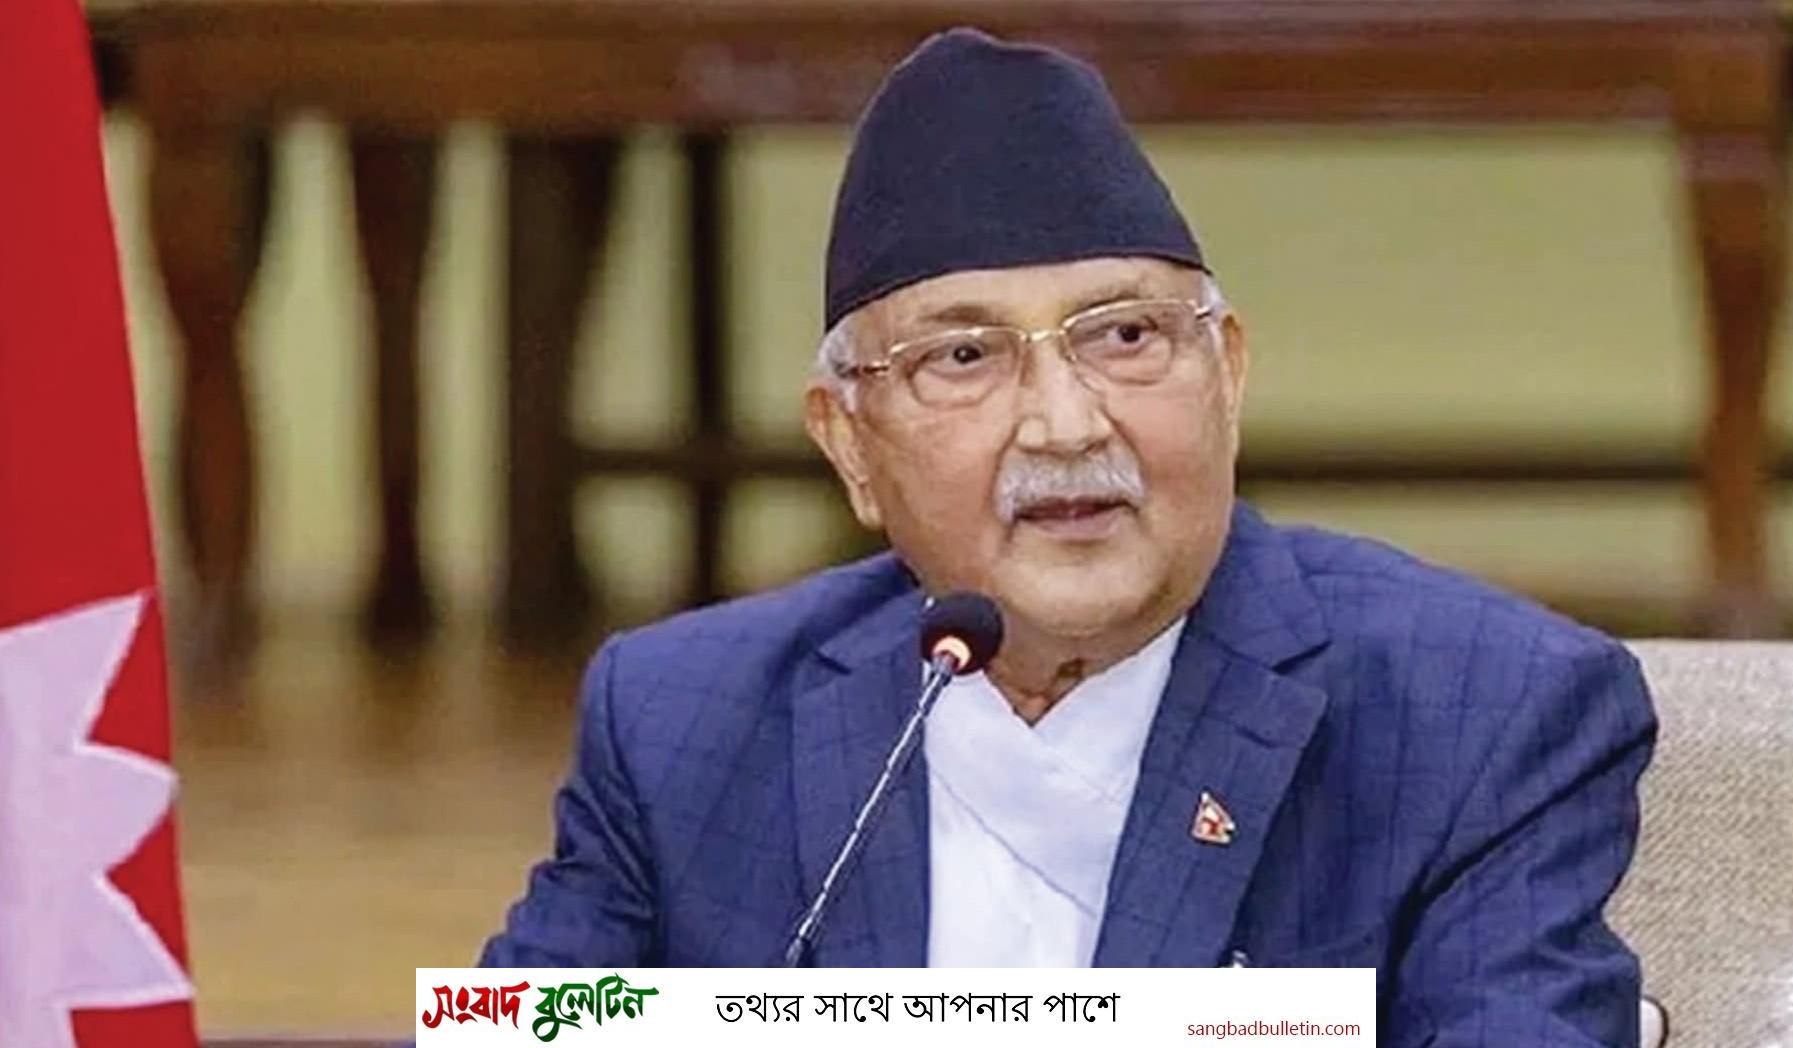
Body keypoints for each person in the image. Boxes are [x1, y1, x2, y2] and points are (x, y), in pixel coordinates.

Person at [480, 27, 1656, 1046]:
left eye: (1124, 337)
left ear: (1225, 374)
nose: (1063, 423)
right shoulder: (680, 718)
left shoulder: (1483, 714)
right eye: (962, 356)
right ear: (849, 447)